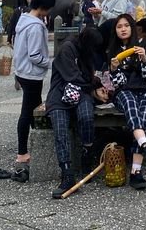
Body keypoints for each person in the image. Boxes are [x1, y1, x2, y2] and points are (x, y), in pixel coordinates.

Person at [46, 27, 108, 199]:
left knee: (87, 116)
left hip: (81, 93)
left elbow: (89, 76)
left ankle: (87, 153)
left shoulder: (87, 52)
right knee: (60, 129)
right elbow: (74, 77)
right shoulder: (67, 49)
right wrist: (93, 87)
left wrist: (97, 86)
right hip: (60, 93)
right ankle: (67, 173)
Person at [107, 13, 146, 190]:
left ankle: (136, 172)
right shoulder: (113, 51)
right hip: (126, 91)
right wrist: (114, 69)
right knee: (131, 106)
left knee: (144, 117)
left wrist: (145, 58)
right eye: (119, 27)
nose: (123, 29)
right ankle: (144, 145)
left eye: (126, 26)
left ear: (132, 28)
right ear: (115, 31)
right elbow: (119, 84)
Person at [10, 0, 56, 183]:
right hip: (31, 73)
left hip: (21, 71)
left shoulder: (23, 20)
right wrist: (51, 62)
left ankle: (36, 146)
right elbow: (35, 55)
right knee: (28, 112)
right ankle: (22, 153)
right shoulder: (36, 27)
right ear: (43, 7)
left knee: (33, 111)